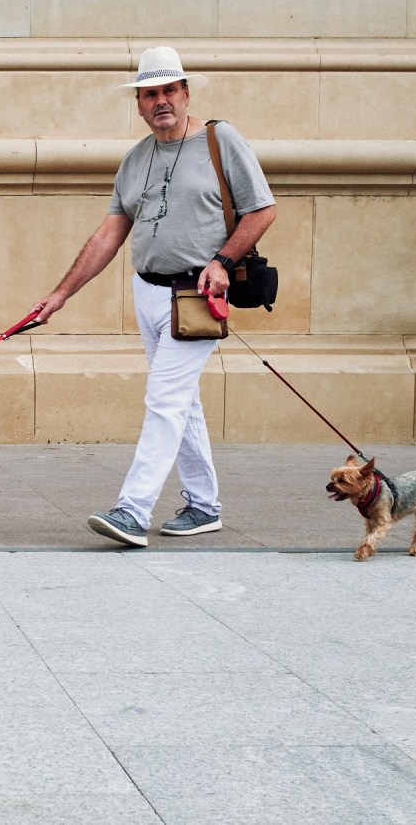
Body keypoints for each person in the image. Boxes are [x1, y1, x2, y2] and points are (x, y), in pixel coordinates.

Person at [28, 47, 276, 547]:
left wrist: (222, 262)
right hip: (148, 292)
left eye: (169, 91)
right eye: (150, 94)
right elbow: (109, 234)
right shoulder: (136, 159)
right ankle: (203, 506)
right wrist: (60, 295)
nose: (161, 101)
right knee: (180, 402)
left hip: (196, 295)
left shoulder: (220, 140)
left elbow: (262, 211)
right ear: (139, 103)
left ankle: (132, 510)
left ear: (186, 94)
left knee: (164, 400)